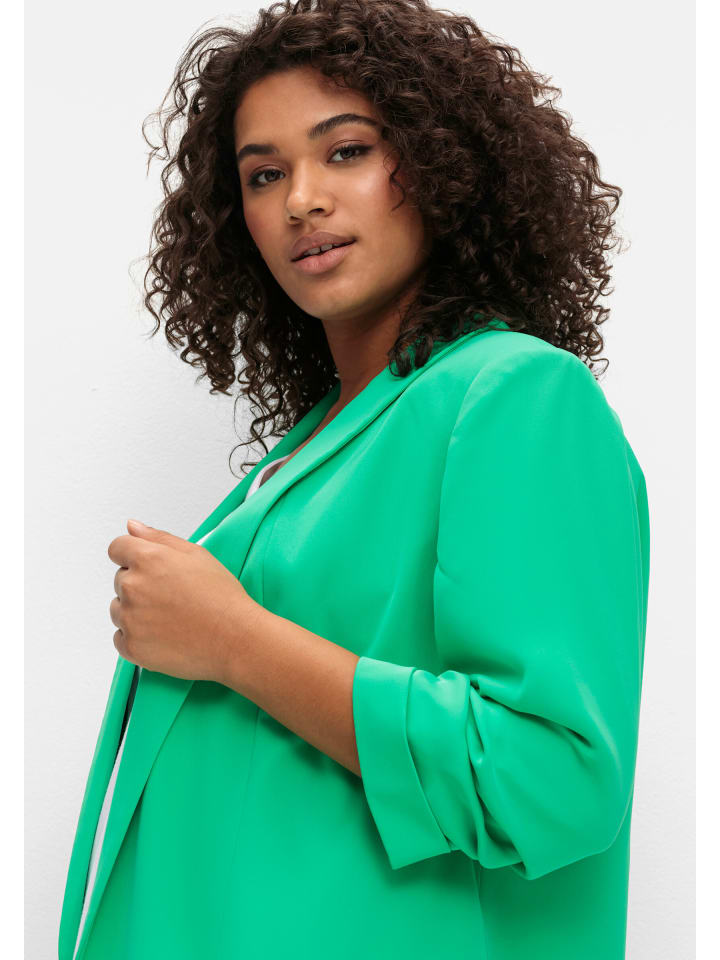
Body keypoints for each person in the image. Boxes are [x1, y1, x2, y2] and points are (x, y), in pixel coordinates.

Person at [58, 2, 650, 958]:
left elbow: (553, 778)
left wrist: (233, 638)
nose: (302, 199)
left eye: (346, 151)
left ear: (445, 163)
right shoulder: (320, 444)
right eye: (264, 174)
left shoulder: (514, 395)